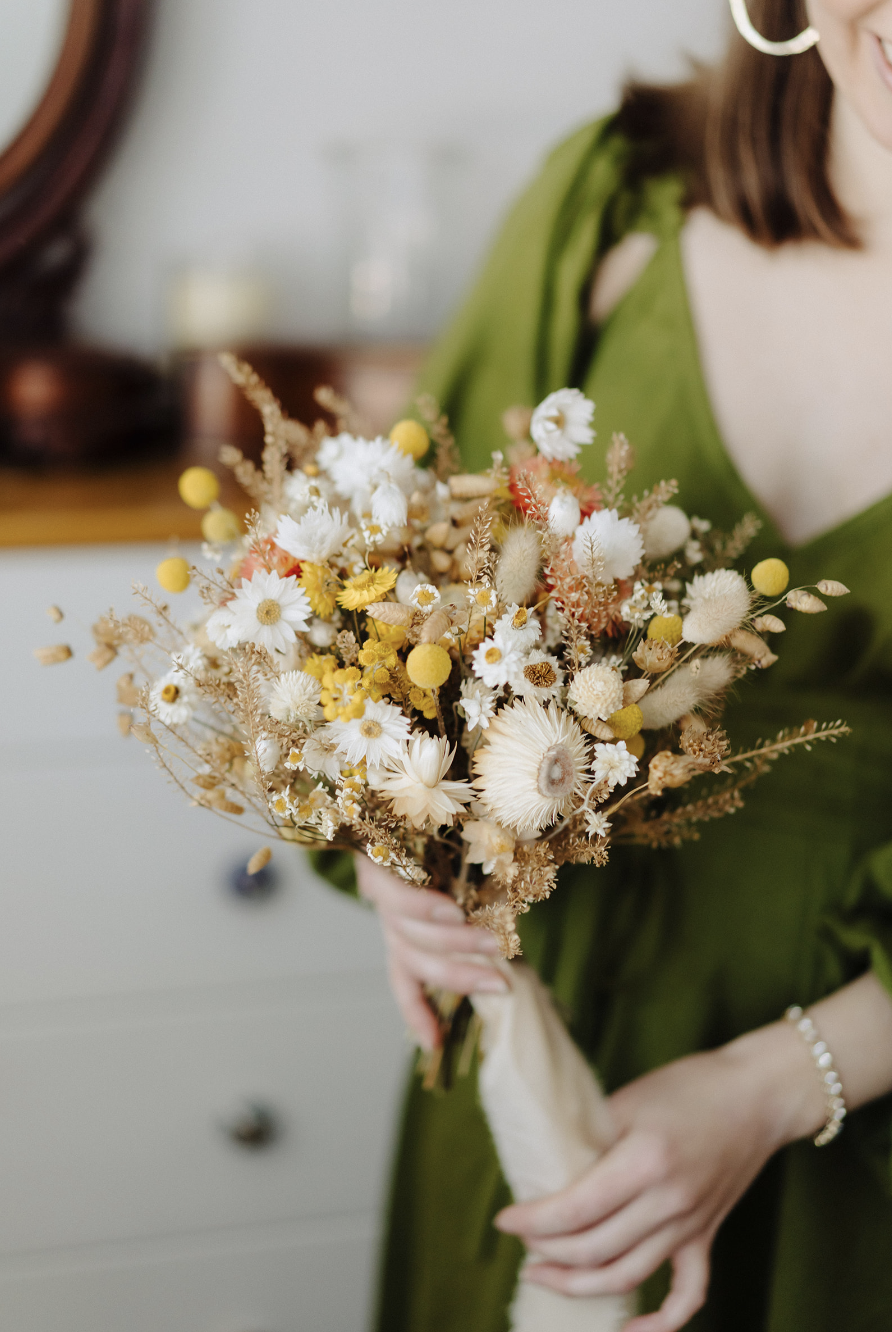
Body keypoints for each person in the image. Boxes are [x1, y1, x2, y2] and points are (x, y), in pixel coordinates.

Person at [314, 2, 892, 1328]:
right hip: (540, 1107)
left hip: (852, 1178)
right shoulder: (606, 211)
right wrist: (392, 837)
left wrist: (775, 1085)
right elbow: (380, 617)